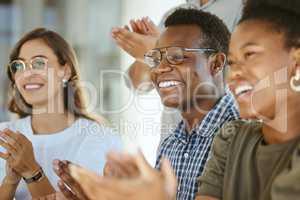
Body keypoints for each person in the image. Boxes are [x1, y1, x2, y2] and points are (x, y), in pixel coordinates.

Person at [107, 8, 239, 200]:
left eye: (176, 56)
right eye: (155, 58)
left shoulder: (240, 138)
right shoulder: (171, 143)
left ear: (216, 64)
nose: (160, 68)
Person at [0, 28, 122, 200]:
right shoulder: (4, 136)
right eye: (19, 65)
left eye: (39, 63)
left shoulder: (100, 139)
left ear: (65, 71)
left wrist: (31, 171)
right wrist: (9, 183)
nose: (27, 73)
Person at [196, 0, 300, 199]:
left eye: (250, 54)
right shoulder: (231, 138)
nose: (234, 74)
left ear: (296, 63)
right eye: (233, 62)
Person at [111, 0, 244, 143]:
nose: (161, 67)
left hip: (215, 135)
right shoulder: (173, 15)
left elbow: (243, 76)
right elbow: (138, 85)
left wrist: (157, 52)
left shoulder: (243, 9)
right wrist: (150, 56)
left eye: (177, 56)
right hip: (176, 137)